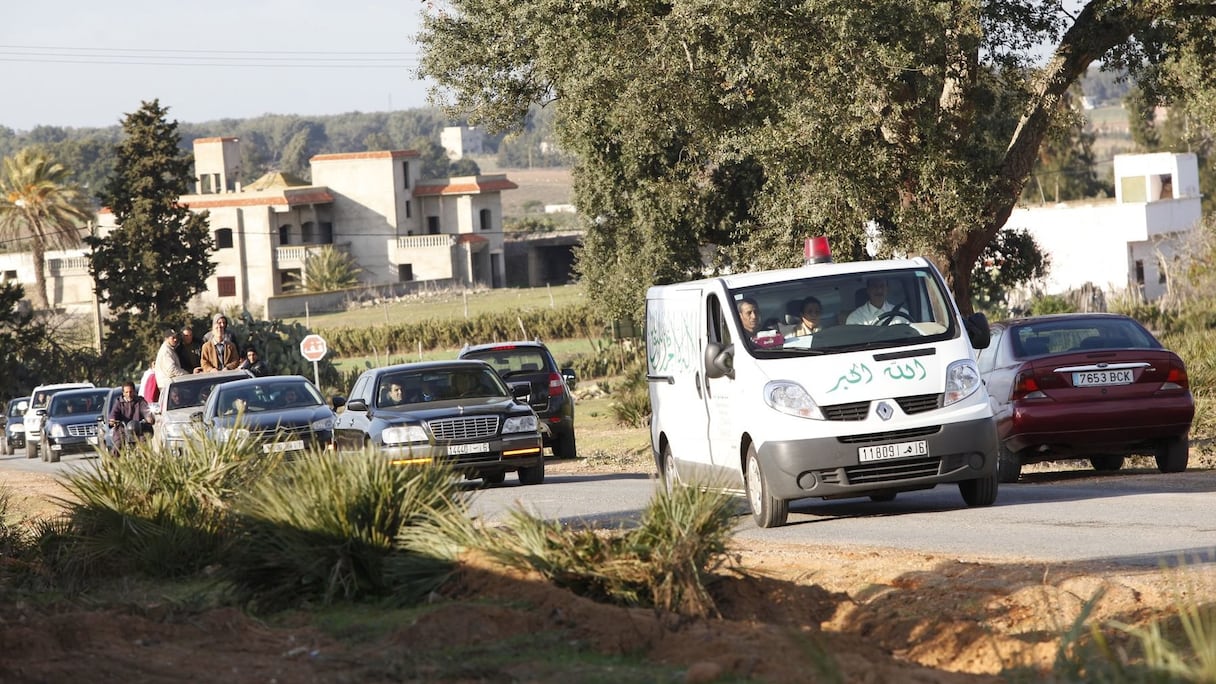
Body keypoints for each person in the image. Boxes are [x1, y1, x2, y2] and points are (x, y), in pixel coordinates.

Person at [108, 381, 155, 455]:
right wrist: (113, 420)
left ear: (134, 392)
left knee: (145, 446)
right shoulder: (119, 403)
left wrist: (149, 417)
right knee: (117, 446)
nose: (129, 394)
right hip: (123, 431)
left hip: (139, 431)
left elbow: (146, 410)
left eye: (131, 392)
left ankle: (148, 464)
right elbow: (114, 413)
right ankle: (112, 465)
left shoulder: (140, 401)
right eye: (126, 392)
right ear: (123, 393)